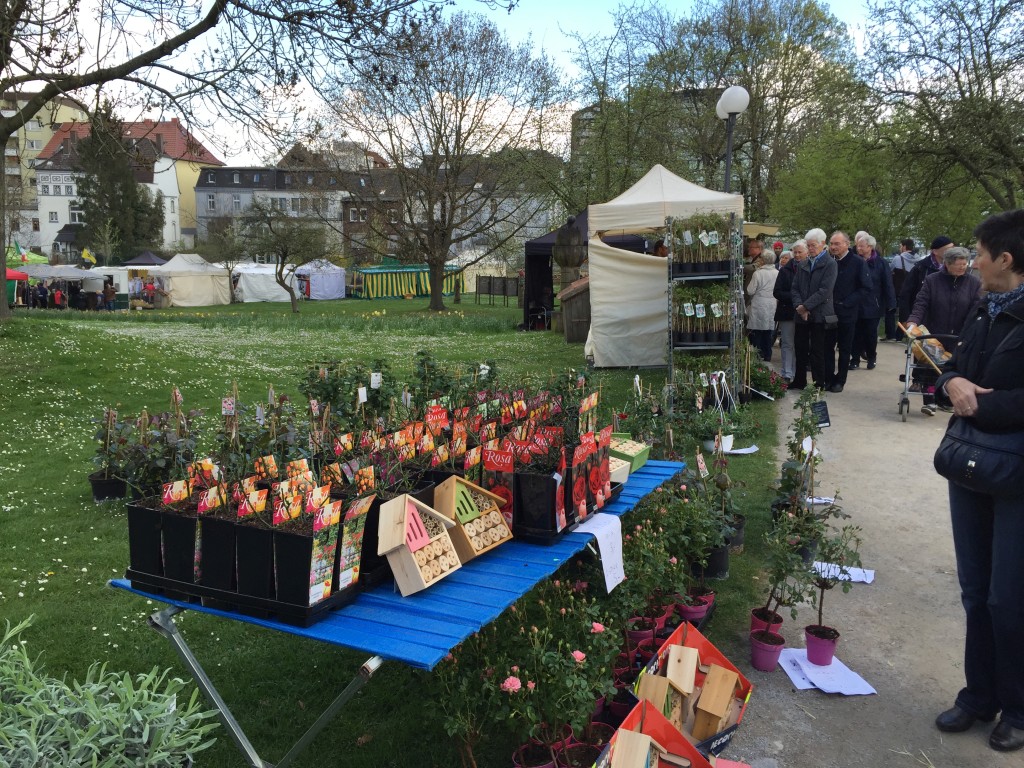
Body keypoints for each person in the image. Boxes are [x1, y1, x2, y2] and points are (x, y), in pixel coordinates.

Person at [932, 208, 1024, 753]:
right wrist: (951, 381)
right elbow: (954, 367)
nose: (971, 261)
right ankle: (979, 695)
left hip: (1016, 473)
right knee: (975, 591)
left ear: (1004, 259)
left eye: (980, 253)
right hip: (971, 466)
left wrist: (980, 406)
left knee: (1008, 597)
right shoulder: (986, 309)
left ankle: (1018, 707)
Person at [906, 246, 981, 415]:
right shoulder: (932, 280)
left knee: (953, 369)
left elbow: (976, 309)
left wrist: (971, 329)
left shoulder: (973, 283)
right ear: (947, 264)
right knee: (931, 367)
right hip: (935, 332)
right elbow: (921, 303)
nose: (962, 267)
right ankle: (930, 400)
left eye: (965, 264)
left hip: (959, 335)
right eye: (958, 264)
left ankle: (946, 399)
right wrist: (913, 322)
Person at [790, 228, 837, 391]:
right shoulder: (803, 263)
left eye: (813, 245)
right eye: (808, 245)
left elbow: (825, 291)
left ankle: (818, 383)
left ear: (822, 244)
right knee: (800, 348)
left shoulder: (830, 264)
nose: (810, 249)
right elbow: (795, 288)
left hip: (819, 314)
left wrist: (805, 307)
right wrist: (799, 306)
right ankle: (799, 380)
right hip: (801, 314)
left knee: (818, 351)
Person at [825, 231, 867, 392]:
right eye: (831, 243)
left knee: (844, 348)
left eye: (837, 244)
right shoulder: (829, 261)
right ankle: (828, 378)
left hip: (847, 312)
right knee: (827, 347)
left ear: (847, 244)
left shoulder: (858, 262)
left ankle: (840, 380)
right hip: (829, 312)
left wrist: (847, 302)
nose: (833, 247)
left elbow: (865, 287)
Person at [852, 233, 896, 370]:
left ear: (870, 247)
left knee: (870, 333)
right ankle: (854, 359)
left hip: (873, 303)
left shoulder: (881, 263)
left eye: (861, 246)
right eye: (858, 246)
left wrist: (891, 303)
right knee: (855, 333)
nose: (858, 248)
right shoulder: (854, 260)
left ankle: (871, 357)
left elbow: (887, 283)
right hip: (856, 302)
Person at [774, 240, 807, 383]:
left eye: (800, 252)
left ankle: (798, 373)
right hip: (787, 311)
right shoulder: (785, 270)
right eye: (795, 252)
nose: (797, 255)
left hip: (805, 312)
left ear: (806, 253)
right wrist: (795, 298)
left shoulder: (810, 268)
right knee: (787, 343)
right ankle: (787, 373)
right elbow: (777, 292)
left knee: (801, 344)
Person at [899, 235, 952, 323]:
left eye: (953, 248)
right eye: (948, 249)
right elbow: (905, 294)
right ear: (935, 251)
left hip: (944, 319)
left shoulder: (954, 269)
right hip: (922, 319)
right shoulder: (920, 268)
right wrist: (906, 319)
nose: (952, 252)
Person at [746, 250, 778, 361]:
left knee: (757, 330)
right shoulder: (777, 273)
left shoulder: (758, 273)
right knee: (768, 330)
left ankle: (757, 354)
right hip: (772, 302)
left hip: (759, 302)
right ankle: (768, 354)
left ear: (763, 260)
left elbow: (750, 290)